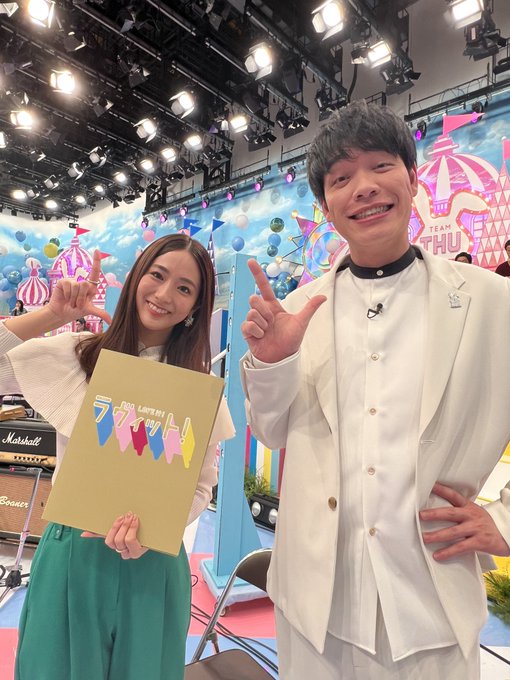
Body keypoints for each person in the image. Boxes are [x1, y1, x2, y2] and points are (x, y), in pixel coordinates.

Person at [240, 101, 510, 680]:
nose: (363, 187)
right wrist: (273, 363)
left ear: (412, 179)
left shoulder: (492, 302)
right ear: (325, 207)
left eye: (380, 166)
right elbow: (269, 431)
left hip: (430, 610)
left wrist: (506, 522)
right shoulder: (298, 308)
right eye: (341, 178)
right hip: (315, 610)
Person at [2, 234, 234, 680]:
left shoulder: (198, 388)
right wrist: (53, 315)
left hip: (152, 560)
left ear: (195, 307)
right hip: (73, 552)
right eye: (157, 275)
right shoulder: (77, 354)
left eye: (184, 288)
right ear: (135, 278)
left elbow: (202, 486)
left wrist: (153, 530)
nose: (164, 294)